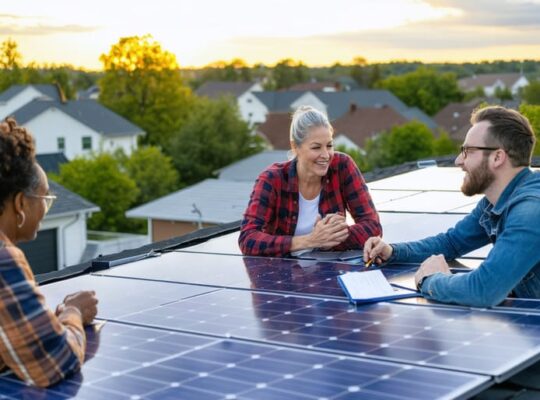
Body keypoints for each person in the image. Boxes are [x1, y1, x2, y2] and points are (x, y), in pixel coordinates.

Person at [363, 106, 540, 307]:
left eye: (468, 152)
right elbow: (452, 243)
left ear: (497, 157)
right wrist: (393, 252)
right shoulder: (496, 202)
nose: (458, 161)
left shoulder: (531, 210)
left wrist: (430, 281)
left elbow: (484, 290)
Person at [0, 117, 98, 387]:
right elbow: (54, 362)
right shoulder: (3, 260)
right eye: (44, 200)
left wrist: (39, 326)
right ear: (20, 203)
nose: (45, 210)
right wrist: (72, 312)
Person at [239, 106, 381, 257]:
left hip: (329, 270)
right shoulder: (272, 180)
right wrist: (310, 241)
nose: (325, 155)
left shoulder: (342, 166)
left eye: (329, 145)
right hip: (282, 273)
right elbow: (248, 239)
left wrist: (331, 239)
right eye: (316, 147)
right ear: (295, 147)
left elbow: (373, 226)